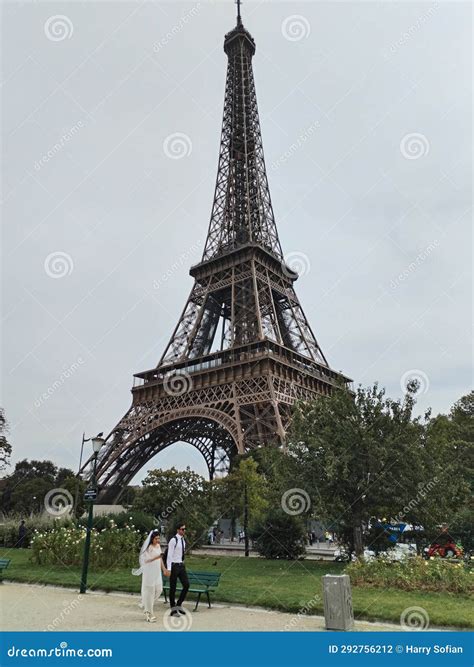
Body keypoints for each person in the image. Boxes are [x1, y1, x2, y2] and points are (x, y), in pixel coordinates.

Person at [132, 530, 169, 623]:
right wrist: (157, 557)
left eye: (158, 538)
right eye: (156, 538)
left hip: (157, 572)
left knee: (159, 590)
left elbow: (160, 559)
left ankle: (146, 604)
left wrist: (164, 569)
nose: (158, 540)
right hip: (149, 572)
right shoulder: (148, 548)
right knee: (150, 592)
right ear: (152, 539)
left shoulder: (158, 546)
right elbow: (146, 561)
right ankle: (149, 613)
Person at [166, 522, 189, 616]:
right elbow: (169, 555)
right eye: (182, 529)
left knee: (186, 585)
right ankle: (173, 609)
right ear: (178, 530)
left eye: (184, 529)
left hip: (181, 565)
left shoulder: (183, 540)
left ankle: (179, 604)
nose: (184, 531)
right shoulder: (173, 540)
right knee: (173, 588)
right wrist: (169, 568)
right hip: (174, 565)